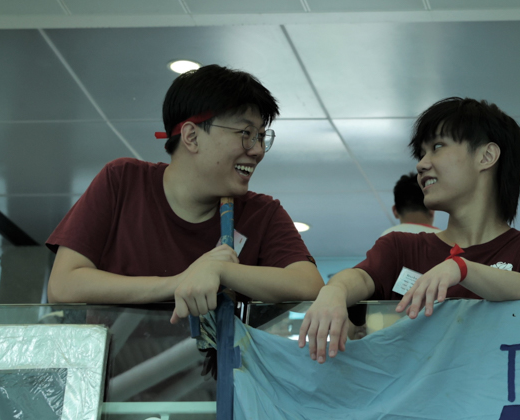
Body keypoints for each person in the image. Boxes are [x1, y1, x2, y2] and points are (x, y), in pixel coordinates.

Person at [46, 65, 323, 322]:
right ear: (191, 137)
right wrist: (180, 281)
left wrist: (220, 270)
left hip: (213, 363)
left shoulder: (261, 214)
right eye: (245, 133)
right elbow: (63, 286)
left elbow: (309, 285)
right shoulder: (123, 181)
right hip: (116, 359)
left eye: (261, 136)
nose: (257, 150)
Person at [298, 97, 520, 363]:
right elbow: (361, 278)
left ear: (486, 156)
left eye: (437, 147)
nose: (421, 164)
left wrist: (461, 268)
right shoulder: (401, 247)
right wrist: (334, 291)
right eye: (421, 153)